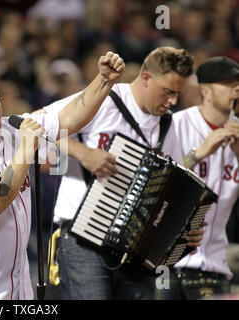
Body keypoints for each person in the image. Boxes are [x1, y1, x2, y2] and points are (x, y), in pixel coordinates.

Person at [0, 51, 125, 300]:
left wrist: (104, 79)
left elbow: (68, 118)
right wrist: (26, 148)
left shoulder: (9, 127)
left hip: (16, 287)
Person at [43, 46, 201, 300]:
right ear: (146, 77)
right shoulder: (103, 99)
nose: (172, 101)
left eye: (178, 94)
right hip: (83, 240)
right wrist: (83, 153)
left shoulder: (169, 124)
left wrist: (185, 232)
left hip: (136, 252)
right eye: (168, 91)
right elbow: (36, 125)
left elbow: (172, 190)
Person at [156, 56, 239, 300]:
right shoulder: (175, 124)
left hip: (213, 266)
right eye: (228, 83)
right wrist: (197, 154)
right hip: (166, 263)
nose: (237, 88)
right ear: (206, 91)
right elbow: (155, 185)